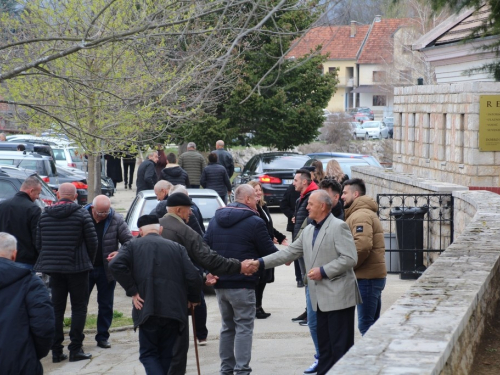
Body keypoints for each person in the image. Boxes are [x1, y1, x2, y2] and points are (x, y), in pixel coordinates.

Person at [252, 190, 361, 375]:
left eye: (310, 204)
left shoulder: (338, 226)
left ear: (323, 206)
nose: (307, 207)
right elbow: (288, 253)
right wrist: (259, 263)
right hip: (319, 299)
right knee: (325, 348)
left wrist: (323, 271)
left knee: (340, 348)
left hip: (339, 298)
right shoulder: (309, 229)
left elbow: (350, 258)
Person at [159, 192, 259, 375]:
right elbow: (209, 258)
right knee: (177, 349)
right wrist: (239, 266)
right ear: (179, 210)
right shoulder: (185, 232)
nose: (190, 214)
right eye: (188, 210)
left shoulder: (154, 226)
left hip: (151, 299)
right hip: (176, 297)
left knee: (156, 349)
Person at [109, 215, 202, 375]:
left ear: (140, 231)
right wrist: (193, 299)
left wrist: (132, 290)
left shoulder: (132, 245)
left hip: (147, 307)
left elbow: (115, 264)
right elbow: (194, 276)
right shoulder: (177, 248)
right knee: (166, 354)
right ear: (160, 229)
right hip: (173, 310)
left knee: (148, 354)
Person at [203, 184, 279, 375]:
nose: (257, 201)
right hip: (243, 283)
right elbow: (269, 253)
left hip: (221, 284)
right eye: (255, 197)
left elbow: (203, 251)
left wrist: (208, 272)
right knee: (244, 326)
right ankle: (242, 370)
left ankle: (226, 369)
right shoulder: (255, 222)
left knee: (227, 327)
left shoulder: (215, 220)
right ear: (246, 199)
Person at [34, 183, 98, 362]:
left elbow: (38, 243)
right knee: (79, 308)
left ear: (57, 194)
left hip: (54, 270)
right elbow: (93, 242)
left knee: (56, 308)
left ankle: (56, 351)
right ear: (75, 196)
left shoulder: (45, 214)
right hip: (78, 269)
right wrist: (88, 262)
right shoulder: (81, 214)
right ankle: (75, 349)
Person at [0, 232, 55, 375]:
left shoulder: (29, 281)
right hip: (19, 361)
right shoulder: (29, 281)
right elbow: (44, 324)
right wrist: (32, 353)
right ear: (14, 254)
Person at [85, 195, 133, 349]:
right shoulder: (81, 217)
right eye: (99, 213)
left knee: (106, 304)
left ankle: (103, 336)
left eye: (105, 212)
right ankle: (77, 337)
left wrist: (119, 253)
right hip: (85, 269)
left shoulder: (116, 219)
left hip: (106, 270)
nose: (102, 216)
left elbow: (129, 242)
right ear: (92, 208)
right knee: (80, 304)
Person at [342, 178, 386, 336]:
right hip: (371, 277)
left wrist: (348, 266)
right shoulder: (361, 213)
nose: (342, 196)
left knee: (366, 325)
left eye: (345, 193)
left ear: (355, 194)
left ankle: (376, 358)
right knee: (372, 324)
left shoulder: (360, 215)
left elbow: (362, 246)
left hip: (367, 279)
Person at [248, 180, 287, 319]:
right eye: (255, 190)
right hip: (259, 248)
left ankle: (258, 306)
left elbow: (269, 226)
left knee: (264, 280)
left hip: (266, 246)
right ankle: (255, 307)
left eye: (260, 190)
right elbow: (259, 229)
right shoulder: (252, 209)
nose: (258, 192)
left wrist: (279, 237)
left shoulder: (263, 207)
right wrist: (271, 238)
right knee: (258, 279)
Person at [0, 176, 42, 270]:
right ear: (31, 191)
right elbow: (37, 237)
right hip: (25, 260)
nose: (38, 197)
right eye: (38, 193)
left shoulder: (2, 205)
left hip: (3, 257)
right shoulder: (33, 209)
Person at [280, 183, 303, 290]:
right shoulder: (292, 188)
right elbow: (283, 205)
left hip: (304, 224)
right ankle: (299, 278)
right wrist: (293, 215)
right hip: (296, 226)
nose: (294, 182)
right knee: (297, 251)